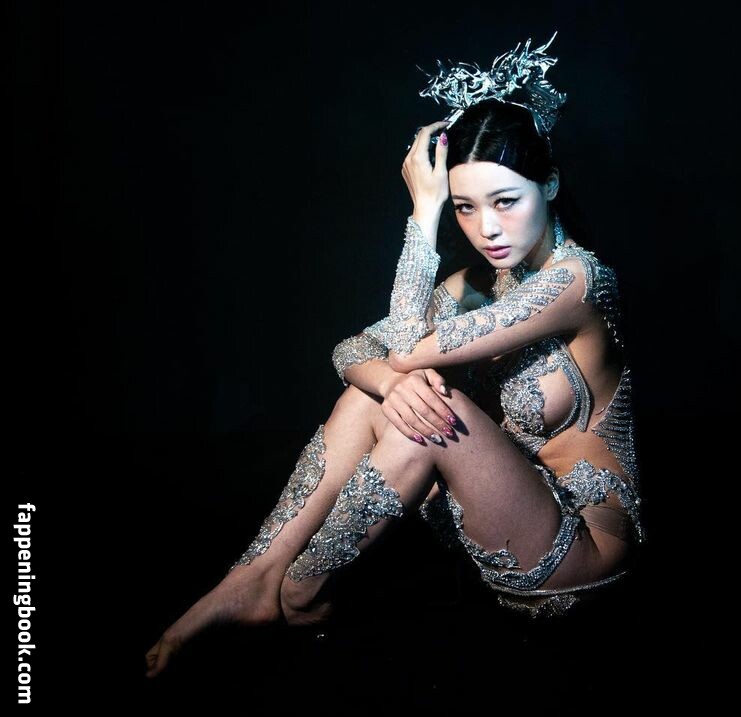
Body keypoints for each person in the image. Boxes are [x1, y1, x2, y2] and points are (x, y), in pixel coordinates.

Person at [144, 34, 645, 680]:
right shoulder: (475, 287)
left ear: (548, 184)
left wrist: (424, 212)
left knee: (426, 409)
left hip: (582, 556)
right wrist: (389, 382)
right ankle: (251, 579)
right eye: (463, 207)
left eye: (505, 201)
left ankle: (300, 593)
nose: (487, 229)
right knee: (384, 392)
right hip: (506, 517)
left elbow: (405, 349)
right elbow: (352, 350)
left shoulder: (577, 281)